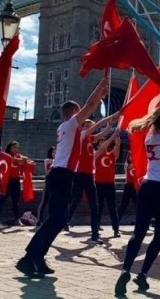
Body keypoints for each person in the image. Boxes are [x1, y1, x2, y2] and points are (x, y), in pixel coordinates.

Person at [16, 76, 109, 277]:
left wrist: (100, 95)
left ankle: (35, 258)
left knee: (58, 219)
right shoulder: (70, 125)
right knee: (57, 219)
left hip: (62, 174)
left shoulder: (65, 128)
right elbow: (90, 104)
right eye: (79, 112)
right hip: (62, 175)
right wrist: (101, 84)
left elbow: (91, 107)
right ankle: (29, 257)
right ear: (73, 113)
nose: (82, 116)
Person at [115, 91, 160, 296]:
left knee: (139, 232)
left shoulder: (148, 137)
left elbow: (159, 118)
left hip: (147, 186)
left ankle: (125, 270)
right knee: (159, 234)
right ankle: (143, 274)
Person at [67, 115, 118, 243]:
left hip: (89, 175)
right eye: (87, 126)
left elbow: (103, 133)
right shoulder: (81, 136)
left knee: (94, 205)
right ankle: (64, 220)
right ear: (82, 127)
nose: (90, 128)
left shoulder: (90, 139)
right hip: (79, 174)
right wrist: (106, 120)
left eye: (90, 126)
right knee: (75, 200)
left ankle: (95, 235)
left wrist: (110, 126)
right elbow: (96, 129)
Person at [95, 130, 122, 238]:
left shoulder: (111, 155)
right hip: (99, 184)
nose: (103, 143)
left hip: (110, 184)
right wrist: (111, 138)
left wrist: (117, 136)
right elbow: (101, 149)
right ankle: (95, 228)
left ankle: (116, 229)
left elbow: (118, 146)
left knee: (112, 207)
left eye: (104, 141)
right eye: (101, 142)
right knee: (99, 207)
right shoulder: (95, 154)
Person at [0, 141, 32, 225]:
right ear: (10, 148)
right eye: (14, 147)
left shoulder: (18, 155)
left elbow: (23, 160)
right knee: (2, 198)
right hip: (7, 180)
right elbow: (9, 159)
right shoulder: (7, 156)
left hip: (15, 180)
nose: (16, 149)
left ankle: (17, 219)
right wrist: (17, 160)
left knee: (15, 200)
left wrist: (23, 159)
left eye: (17, 147)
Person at [36, 146, 56, 227]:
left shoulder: (59, 161)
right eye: (53, 152)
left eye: (56, 152)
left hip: (56, 184)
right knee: (44, 201)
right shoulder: (47, 160)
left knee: (54, 202)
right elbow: (47, 169)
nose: (54, 154)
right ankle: (39, 220)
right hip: (48, 182)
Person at [117, 154, 138, 223]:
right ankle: (117, 221)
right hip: (128, 186)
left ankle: (141, 222)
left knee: (137, 205)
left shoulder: (137, 164)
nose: (131, 157)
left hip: (135, 186)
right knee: (123, 204)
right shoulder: (127, 165)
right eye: (130, 156)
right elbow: (127, 167)